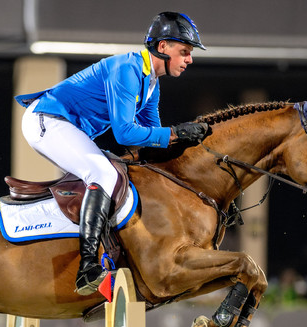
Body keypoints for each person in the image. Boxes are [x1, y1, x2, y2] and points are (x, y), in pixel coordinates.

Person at [15, 12, 209, 295]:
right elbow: (126, 134)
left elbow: (151, 140)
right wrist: (176, 133)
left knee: (122, 172)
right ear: (163, 47)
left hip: (62, 125)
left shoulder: (151, 84)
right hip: (45, 119)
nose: (189, 59)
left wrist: (188, 145)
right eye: (184, 51)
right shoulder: (127, 69)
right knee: (103, 173)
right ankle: (88, 267)